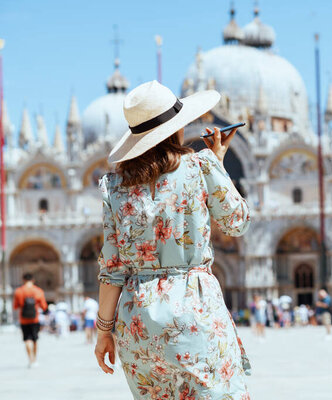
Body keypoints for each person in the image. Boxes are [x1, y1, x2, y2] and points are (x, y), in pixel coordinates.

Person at [93, 81, 251, 399]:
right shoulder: (202, 165)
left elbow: (111, 269)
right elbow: (237, 222)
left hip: (136, 322)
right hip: (195, 312)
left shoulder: (114, 186)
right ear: (177, 128)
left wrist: (103, 331)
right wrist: (217, 167)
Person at [13, 272, 48, 368]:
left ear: (23, 280)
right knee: (35, 339)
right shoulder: (38, 291)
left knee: (27, 340)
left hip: (23, 320)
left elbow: (15, 306)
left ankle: (30, 360)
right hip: (35, 319)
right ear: (33, 280)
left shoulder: (18, 291)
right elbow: (44, 306)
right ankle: (35, 359)